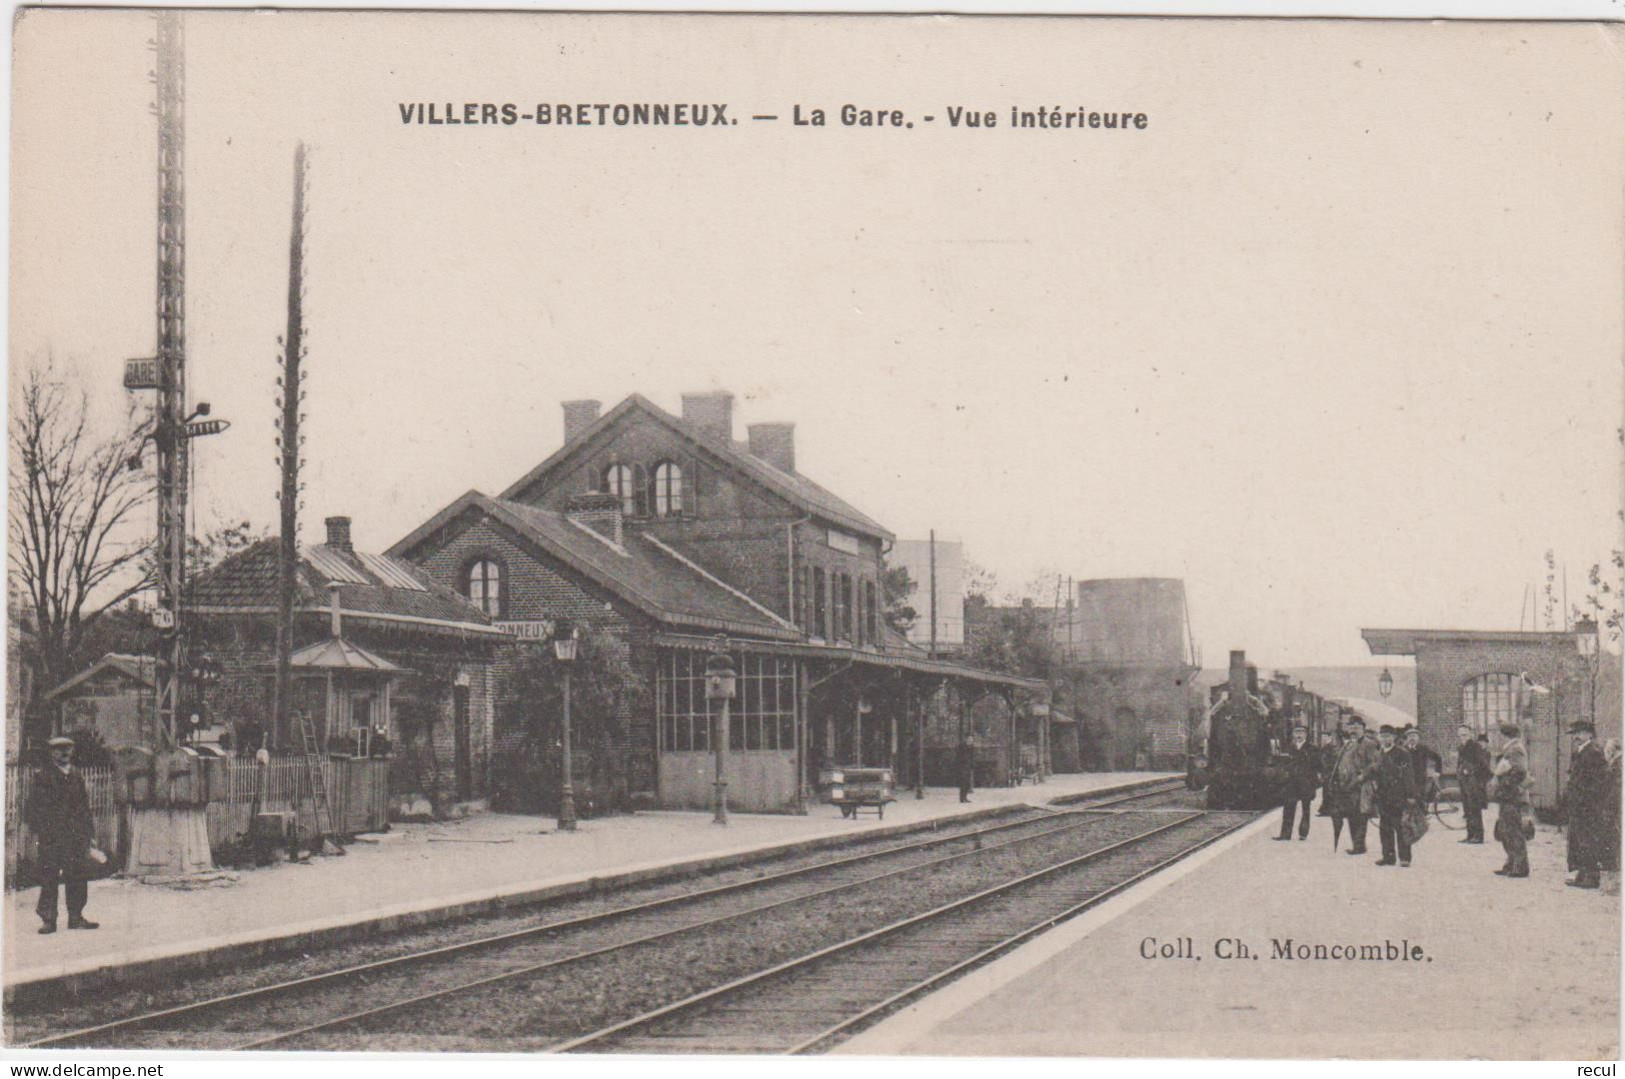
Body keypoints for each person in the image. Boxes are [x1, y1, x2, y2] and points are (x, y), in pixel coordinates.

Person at [26, 736, 100, 933]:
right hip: (52, 835)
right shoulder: (43, 776)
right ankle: (49, 920)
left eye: (68, 748)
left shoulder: (76, 774)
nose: (64, 753)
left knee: (77, 874)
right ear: (52, 753)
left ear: (73, 751)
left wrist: (89, 833)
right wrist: (38, 833)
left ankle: (76, 917)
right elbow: (34, 807)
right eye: (59, 749)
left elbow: (84, 806)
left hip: (76, 835)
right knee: (50, 875)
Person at [1564, 720, 1610, 889]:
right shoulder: (1582, 751)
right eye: (1574, 734)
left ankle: (1591, 877)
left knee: (1588, 840)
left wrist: (1586, 801)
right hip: (1580, 805)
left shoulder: (1593, 752)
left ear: (1589, 734)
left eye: (1580, 733)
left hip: (1588, 806)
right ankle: (1582, 874)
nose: (1576, 737)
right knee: (1579, 840)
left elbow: (1597, 783)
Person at [1331, 715, 1380, 855]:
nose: (1353, 730)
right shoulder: (1348, 744)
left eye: (1357, 727)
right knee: (1351, 815)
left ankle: (1359, 846)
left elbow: (1375, 764)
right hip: (1345, 786)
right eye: (1351, 727)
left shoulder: (1369, 744)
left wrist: (1361, 776)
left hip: (1360, 786)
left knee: (1360, 816)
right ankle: (1357, 844)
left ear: (1363, 729)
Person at [1373, 724, 1417, 867]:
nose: (1385, 739)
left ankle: (1405, 858)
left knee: (1401, 827)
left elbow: (1408, 775)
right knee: (1385, 828)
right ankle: (1388, 857)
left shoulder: (1402, 753)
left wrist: (1410, 796)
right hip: (1383, 796)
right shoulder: (1379, 753)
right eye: (1382, 736)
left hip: (1399, 796)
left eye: (1388, 736)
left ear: (1394, 738)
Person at [1491, 721, 1530, 878]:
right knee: (1506, 830)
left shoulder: (1515, 750)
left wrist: (1504, 785)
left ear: (1504, 735)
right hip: (1508, 796)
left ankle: (1520, 867)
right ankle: (1511, 863)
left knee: (1513, 831)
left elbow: (1519, 771)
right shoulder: (1512, 749)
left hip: (1511, 797)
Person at [1275, 725, 1319, 841]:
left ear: (1306, 735)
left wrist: (1313, 784)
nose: (1299, 735)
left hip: (1306, 783)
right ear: (1293, 734)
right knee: (1288, 807)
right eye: (1296, 732)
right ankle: (1285, 834)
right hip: (1291, 782)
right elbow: (1282, 764)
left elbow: (1317, 766)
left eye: (1302, 732)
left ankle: (1303, 833)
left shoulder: (1312, 748)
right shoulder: (1288, 748)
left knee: (1305, 809)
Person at [1455, 723, 1491, 844]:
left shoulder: (1475, 747)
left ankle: (1478, 836)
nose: (1462, 737)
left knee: (1475, 809)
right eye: (1460, 735)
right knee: (1467, 809)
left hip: (1474, 782)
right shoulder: (1461, 747)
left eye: (1464, 734)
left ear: (1470, 734)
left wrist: (1470, 770)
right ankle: (1470, 835)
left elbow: (1483, 765)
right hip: (1464, 783)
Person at [1316, 731, 1340, 818]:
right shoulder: (1327, 747)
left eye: (1325, 736)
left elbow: (1329, 760)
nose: (1323, 738)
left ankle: (1326, 809)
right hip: (1326, 772)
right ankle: (1326, 809)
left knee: (1328, 791)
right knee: (1326, 791)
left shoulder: (1330, 747)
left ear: (1329, 737)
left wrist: (1326, 770)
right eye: (1322, 737)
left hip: (1329, 773)